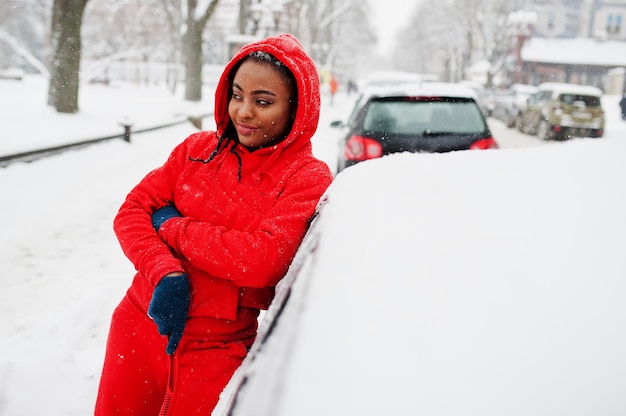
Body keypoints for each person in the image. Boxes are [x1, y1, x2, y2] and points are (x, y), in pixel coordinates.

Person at [94, 33, 333, 415]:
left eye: (263, 102)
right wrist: (165, 272)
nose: (244, 112)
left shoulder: (305, 177)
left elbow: (262, 261)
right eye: (237, 96)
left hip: (217, 349)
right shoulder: (197, 151)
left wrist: (172, 226)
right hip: (140, 325)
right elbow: (133, 211)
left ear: (297, 108)